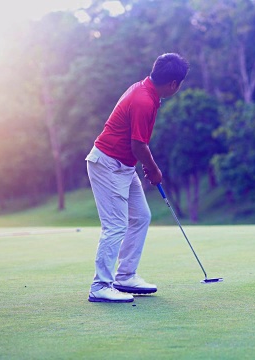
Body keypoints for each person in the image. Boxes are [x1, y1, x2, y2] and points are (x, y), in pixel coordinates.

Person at [85, 53, 189, 303]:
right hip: (107, 164)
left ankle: (125, 276)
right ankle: (100, 286)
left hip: (123, 166)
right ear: (174, 84)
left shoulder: (146, 90)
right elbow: (138, 145)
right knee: (115, 226)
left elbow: (135, 147)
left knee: (141, 216)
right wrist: (153, 169)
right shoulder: (143, 99)